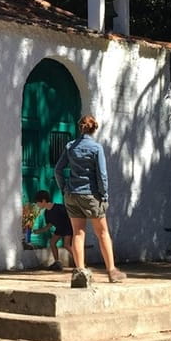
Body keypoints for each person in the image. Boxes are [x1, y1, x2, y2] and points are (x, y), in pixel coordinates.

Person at [54, 115, 126, 287]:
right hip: (91, 195)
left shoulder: (70, 146)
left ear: (80, 128)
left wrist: (64, 188)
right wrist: (104, 195)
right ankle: (112, 271)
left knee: (78, 233)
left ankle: (80, 272)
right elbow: (102, 175)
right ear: (94, 129)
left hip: (72, 194)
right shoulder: (96, 148)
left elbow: (58, 169)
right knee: (102, 233)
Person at [32, 190, 73, 271]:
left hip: (68, 227)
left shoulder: (59, 207)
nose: (37, 205)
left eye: (38, 202)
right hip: (60, 229)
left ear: (43, 201)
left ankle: (80, 263)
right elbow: (49, 225)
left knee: (67, 245)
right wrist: (37, 231)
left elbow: (70, 216)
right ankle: (57, 262)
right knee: (52, 243)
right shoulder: (47, 213)